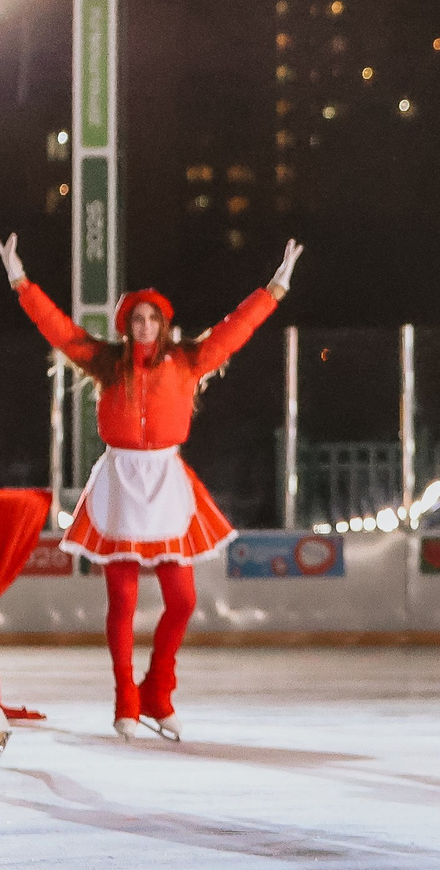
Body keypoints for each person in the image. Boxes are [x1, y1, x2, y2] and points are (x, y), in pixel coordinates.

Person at [0, 231, 301, 742]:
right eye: (136, 319)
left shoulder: (186, 361)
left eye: (152, 318)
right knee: (121, 602)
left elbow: (234, 330)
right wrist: (20, 282)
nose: (144, 326)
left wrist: (274, 288)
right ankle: (125, 702)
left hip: (165, 483)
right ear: (126, 325)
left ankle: (157, 692)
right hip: (120, 482)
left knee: (181, 599)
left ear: (164, 324)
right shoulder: (106, 362)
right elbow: (58, 329)